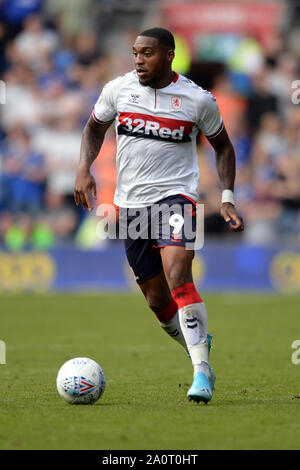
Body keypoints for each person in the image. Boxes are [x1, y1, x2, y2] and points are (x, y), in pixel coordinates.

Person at [74, 27, 244, 404]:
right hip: (130, 206)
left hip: (177, 198)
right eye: (135, 53)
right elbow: (93, 128)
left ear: (168, 55)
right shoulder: (118, 90)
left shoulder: (198, 100)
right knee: (156, 301)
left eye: (147, 53)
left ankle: (200, 370)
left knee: (179, 272)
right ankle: (197, 348)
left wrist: (228, 196)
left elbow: (224, 147)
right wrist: (83, 168)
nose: (138, 60)